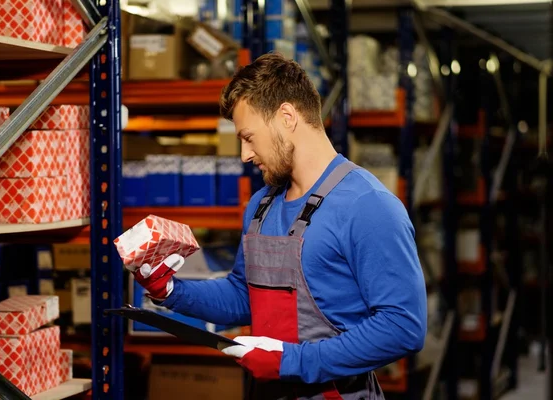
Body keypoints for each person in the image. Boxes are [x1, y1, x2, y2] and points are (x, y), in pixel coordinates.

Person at [130, 53, 427, 399]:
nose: (244, 154)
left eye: (249, 137)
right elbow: (244, 296)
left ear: (287, 117)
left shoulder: (367, 205)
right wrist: (171, 292)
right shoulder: (261, 205)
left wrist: (292, 362)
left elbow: (403, 326)